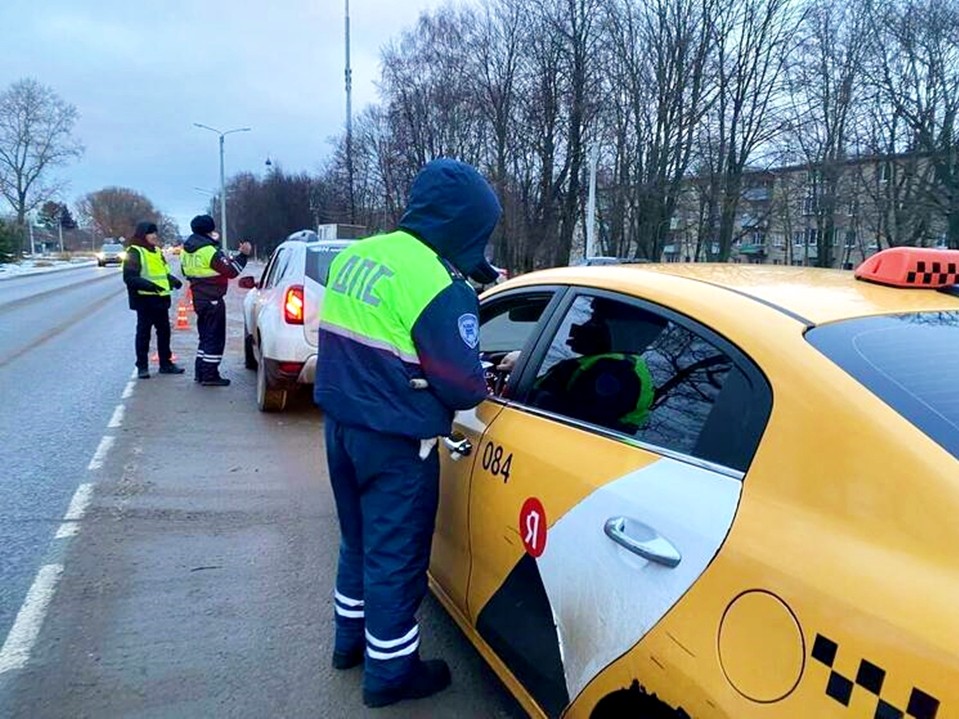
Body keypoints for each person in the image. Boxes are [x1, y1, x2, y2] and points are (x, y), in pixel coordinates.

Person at [314, 158, 501, 708]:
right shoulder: (438, 283)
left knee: (359, 541)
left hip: (341, 428)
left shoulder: (358, 256)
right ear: (464, 223)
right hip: (398, 444)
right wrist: (485, 371)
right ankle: (391, 674)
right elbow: (464, 387)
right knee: (396, 556)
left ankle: (348, 644)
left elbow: (379, 340)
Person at [180, 215, 252, 386]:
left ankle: (201, 372)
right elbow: (231, 271)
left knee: (205, 336)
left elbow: (186, 272)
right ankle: (210, 375)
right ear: (208, 230)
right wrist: (243, 255)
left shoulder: (187, 249)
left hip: (199, 297)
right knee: (215, 337)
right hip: (212, 298)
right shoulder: (208, 250)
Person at [123, 221, 185, 379]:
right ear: (143, 234)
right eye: (151, 233)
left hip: (161, 299)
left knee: (164, 332)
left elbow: (162, 272)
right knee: (144, 333)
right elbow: (130, 277)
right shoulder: (134, 251)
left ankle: (165, 363)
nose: (154, 236)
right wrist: (151, 286)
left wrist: (173, 280)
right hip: (144, 299)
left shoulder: (157, 251)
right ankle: (142, 366)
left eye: (155, 233)